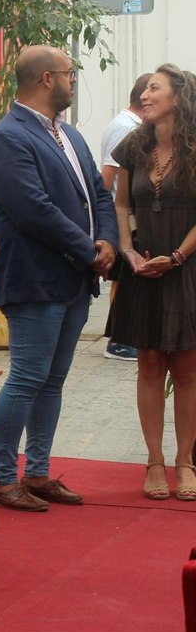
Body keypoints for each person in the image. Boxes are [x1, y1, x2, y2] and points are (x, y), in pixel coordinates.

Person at [0, 45, 119, 512]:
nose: (74, 79)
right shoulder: (8, 137)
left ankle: (37, 473)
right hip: (35, 277)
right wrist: (89, 250)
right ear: (45, 79)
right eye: (69, 72)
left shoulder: (70, 134)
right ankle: (2, 478)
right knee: (27, 376)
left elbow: (99, 193)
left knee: (54, 379)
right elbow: (32, 209)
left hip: (74, 277)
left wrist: (108, 241)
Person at [104, 64, 196, 501]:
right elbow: (121, 203)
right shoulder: (134, 145)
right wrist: (127, 250)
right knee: (150, 366)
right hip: (142, 268)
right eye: (144, 90)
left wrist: (178, 256)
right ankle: (154, 460)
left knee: (188, 369)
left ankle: (186, 462)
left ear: (177, 98)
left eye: (154, 89)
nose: (144, 95)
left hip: (188, 267)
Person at [102, 74, 151, 361]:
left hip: (126, 215)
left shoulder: (129, 125)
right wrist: (105, 219)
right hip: (123, 217)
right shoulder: (127, 129)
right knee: (123, 278)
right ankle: (119, 340)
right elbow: (107, 176)